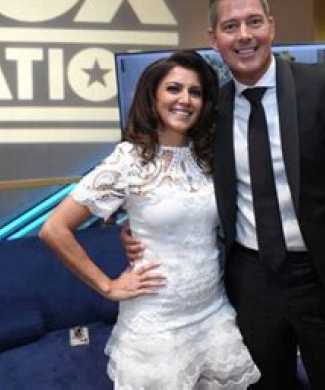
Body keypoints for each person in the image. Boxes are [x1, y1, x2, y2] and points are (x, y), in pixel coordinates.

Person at [124, 0, 325, 389]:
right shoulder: (209, 112)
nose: (244, 35)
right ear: (214, 39)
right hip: (251, 280)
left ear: (271, 26)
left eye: (253, 22)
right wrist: (137, 228)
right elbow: (175, 177)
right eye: (230, 26)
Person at [40, 50, 260, 389]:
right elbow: (54, 230)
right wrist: (108, 286)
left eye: (195, 92)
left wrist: (132, 228)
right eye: (173, 88)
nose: (185, 99)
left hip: (212, 311)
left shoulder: (207, 157)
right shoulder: (129, 160)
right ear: (153, 96)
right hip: (158, 320)